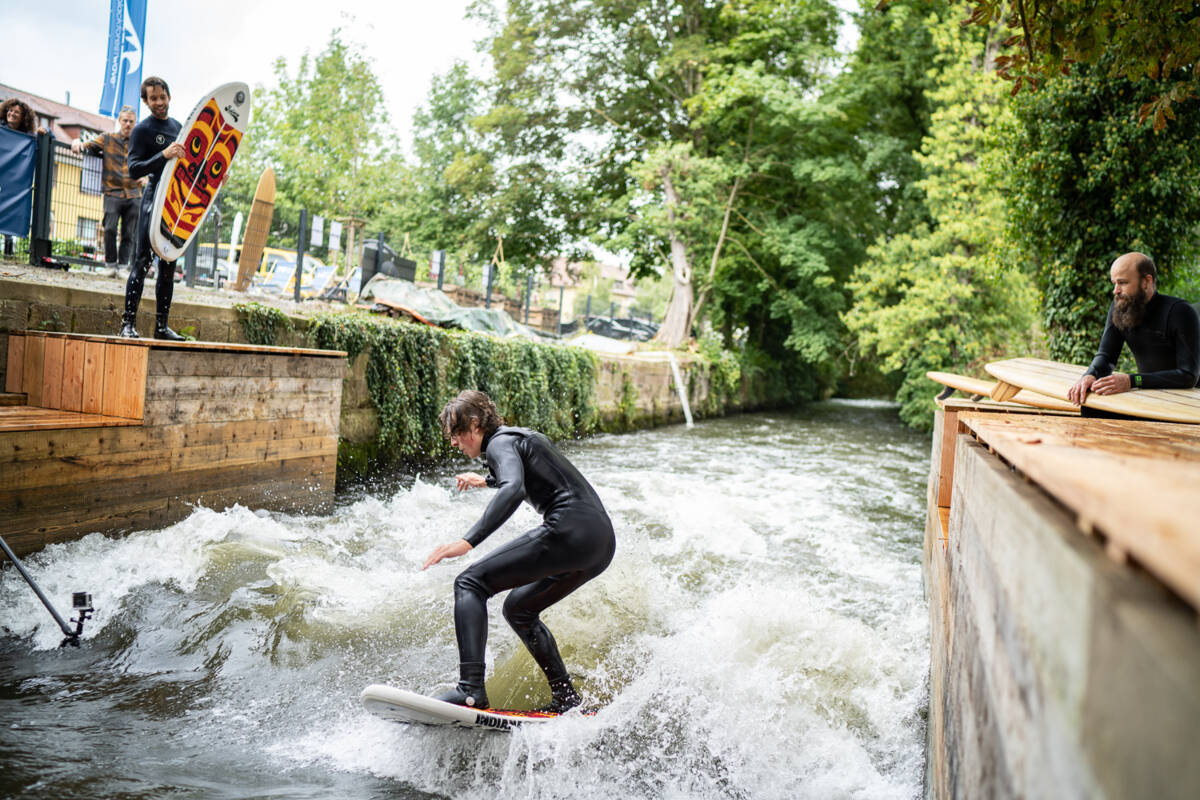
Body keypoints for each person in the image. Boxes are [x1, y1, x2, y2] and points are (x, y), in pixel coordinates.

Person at [423, 390, 616, 712]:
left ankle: (470, 689)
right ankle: (567, 699)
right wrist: (485, 481)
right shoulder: (516, 438)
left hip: (570, 529)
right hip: (599, 543)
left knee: (469, 583)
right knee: (519, 609)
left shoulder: (499, 443)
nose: (453, 443)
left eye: (456, 434)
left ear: (474, 424)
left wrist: (467, 541)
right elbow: (526, 476)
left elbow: (515, 487)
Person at [1068, 252, 1200, 403]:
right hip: (1148, 396)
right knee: (1088, 404)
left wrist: (1132, 380)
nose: (1115, 290)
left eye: (1122, 283)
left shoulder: (1180, 311)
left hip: (1187, 401)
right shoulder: (1120, 307)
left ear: (1146, 281)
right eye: (1114, 283)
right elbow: (1106, 355)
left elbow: (1188, 375)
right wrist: (1090, 375)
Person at [120, 77, 185, 340]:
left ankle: (161, 327)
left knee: (168, 263)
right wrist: (163, 155)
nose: (159, 102)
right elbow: (134, 168)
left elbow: (189, 164)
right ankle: (127, 324)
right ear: (146, 102)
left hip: (174, 203)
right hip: (152, 200)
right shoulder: (142, 130)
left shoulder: (179, 127)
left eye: (163, 97)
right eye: (153, 98)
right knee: (142, 261)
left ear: (169, 96)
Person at [72, 107, 142, 273]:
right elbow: (87, 146)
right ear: (119, 121)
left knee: (128, 234)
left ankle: (123, 267)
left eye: (131, 121)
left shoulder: (139, 143)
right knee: (109, 228)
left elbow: (151, 162)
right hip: (112, 192)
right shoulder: (108, 139)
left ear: (135, 123)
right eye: (125, 120)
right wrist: (76, 142)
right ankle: (110, 265)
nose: (128, 124)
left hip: (134, 194)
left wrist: (145, 176)